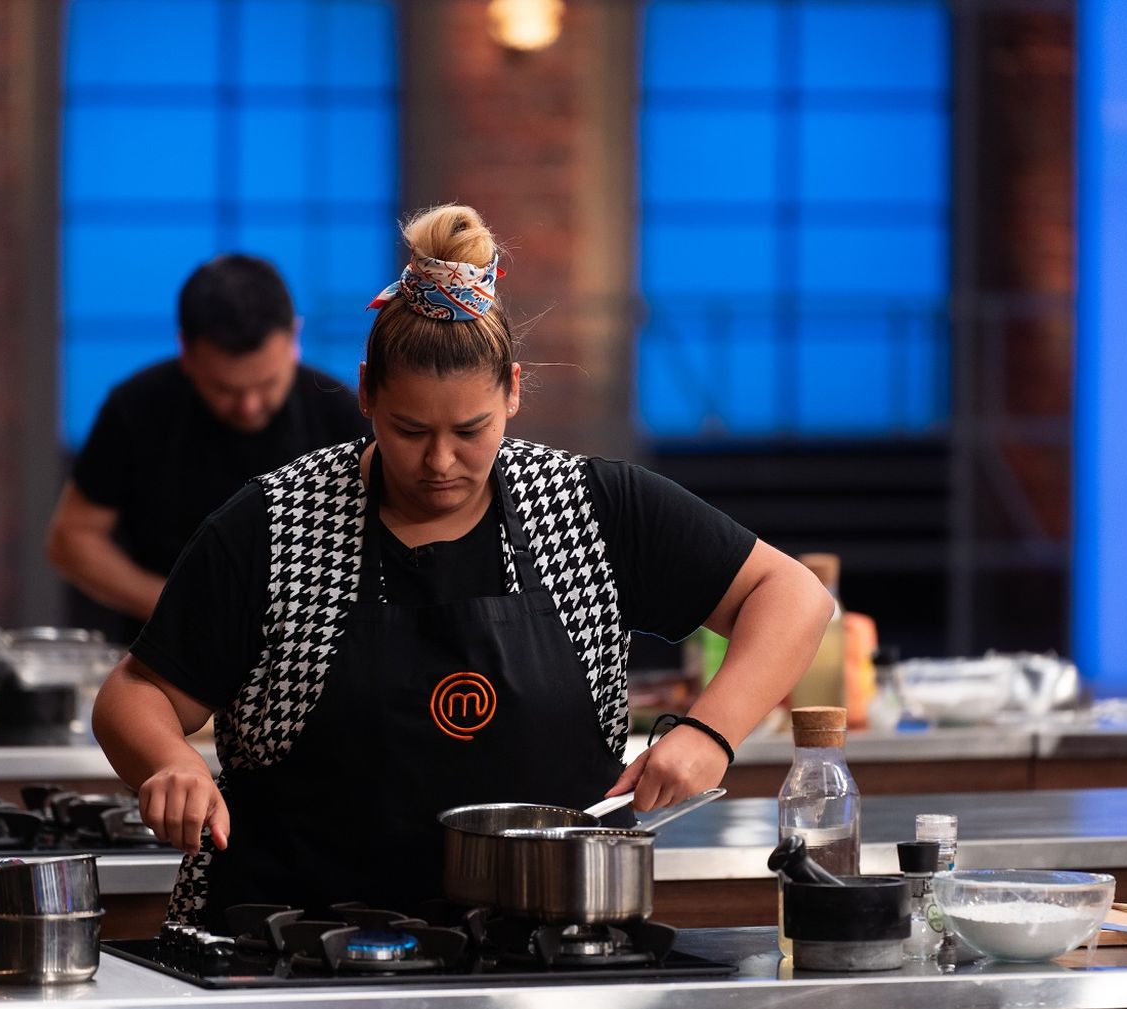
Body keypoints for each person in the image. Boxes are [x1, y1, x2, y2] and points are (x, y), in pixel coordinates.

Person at [92, 205, 835, 929]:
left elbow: (792, 594)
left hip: (551, 943)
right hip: (294, 949)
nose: (440, 461)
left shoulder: (588, 508)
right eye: (410, 430)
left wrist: (710, 732)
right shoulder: (277, 524)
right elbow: (135, 693)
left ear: (512, 391)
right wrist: (169, 763)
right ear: (365, 392)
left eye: (471, 430)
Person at [46, 254, 368, 642]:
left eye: (267, 384)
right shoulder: (136, 407)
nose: (248, 406)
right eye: (225, 389)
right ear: (186, 351)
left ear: (294, 340)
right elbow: (72, 539)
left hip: (306, 643)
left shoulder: (341, 414)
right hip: (163, 643)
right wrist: (181, 608)